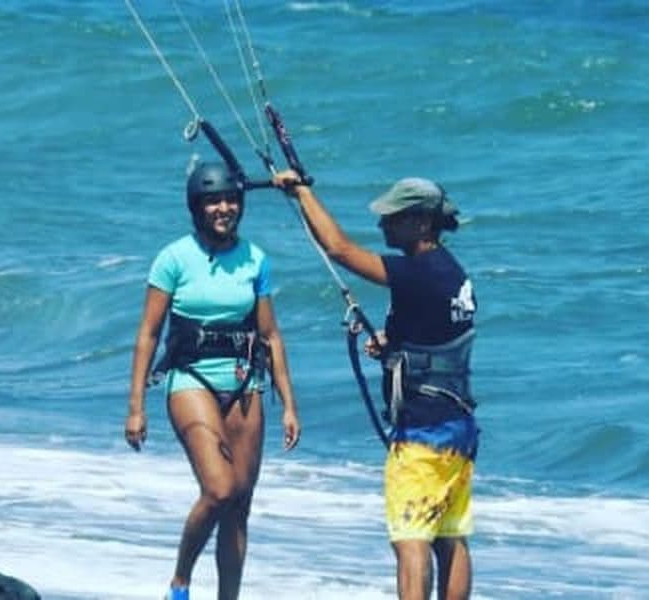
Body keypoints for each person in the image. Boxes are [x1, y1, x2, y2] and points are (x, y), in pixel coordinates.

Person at [273, 172, 478, 600]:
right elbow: (438, 333)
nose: (383, 226)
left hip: (423, 434)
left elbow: (339, 249)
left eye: (393, 218)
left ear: (422, 224)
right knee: (449, 536)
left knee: (411, 539)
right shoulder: (451, 271)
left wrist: (302, 192)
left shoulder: (418, 271)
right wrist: (393, 343)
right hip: (458, 429)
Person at [125, 161, 301, 600]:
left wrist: (289, 405)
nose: (224, 208)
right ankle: (181, 581)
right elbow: (148, 335)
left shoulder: (255, 259)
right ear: (197, 207)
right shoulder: (173, 259)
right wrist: (135, 408)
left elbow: (270, 335)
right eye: (213, 201)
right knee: (219, 489)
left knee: (239, 505)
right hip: (191, 378)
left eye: (230, 200)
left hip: (245, 383)